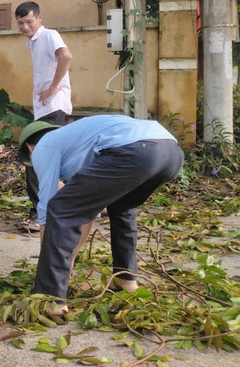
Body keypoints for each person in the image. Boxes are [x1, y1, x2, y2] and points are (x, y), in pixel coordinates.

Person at [17, 116, 184, 315]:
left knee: (60, 207)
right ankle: (126, 280)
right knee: (121, 207)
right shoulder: (78, 144)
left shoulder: (43, 146)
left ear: (29, 147)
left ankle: (51, 300)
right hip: (171, 153)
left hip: (137, 150)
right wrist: (69, 257)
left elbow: (46, 208)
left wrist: (52, 265)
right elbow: (88, 212)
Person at [15, 1, 73, 232]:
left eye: (29, 21)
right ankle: (53, 209)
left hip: (53, 108)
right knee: (41, 159)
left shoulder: (49, 35)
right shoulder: (33, 42)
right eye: (21, 23)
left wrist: (53, 87)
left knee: (35, 159)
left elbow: (66, 57)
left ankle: (40, 213)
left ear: (39, 18)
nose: (26, 26)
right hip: (45, 110)